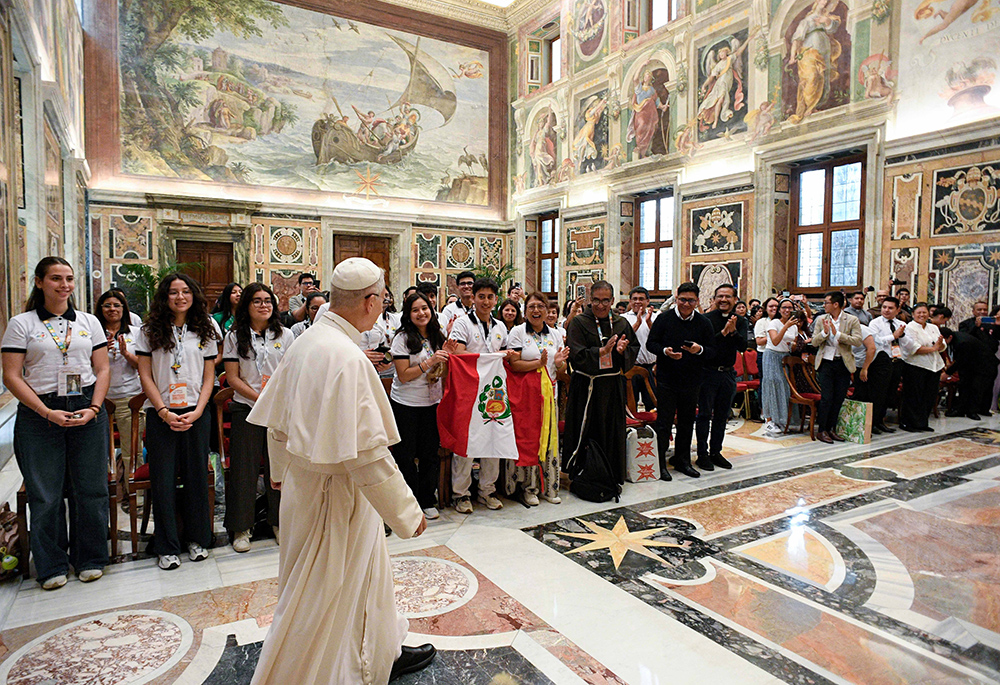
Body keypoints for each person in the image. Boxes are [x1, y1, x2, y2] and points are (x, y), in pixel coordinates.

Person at [246, 257, 434, 684]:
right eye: (382, 297)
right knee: (321, 591)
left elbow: (277, 421)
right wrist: (405, 513)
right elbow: (366, 453)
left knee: (367, 576)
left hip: (303, 484)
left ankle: (382, 652)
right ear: (370, 301)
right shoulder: (347, 358)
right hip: (337, 495)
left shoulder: (308, 341)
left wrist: (278, 471)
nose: (383, 303)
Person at [2, 257, 110, 590]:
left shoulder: (89, 321)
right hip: (40, 413)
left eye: (69, 279)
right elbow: (11, 375)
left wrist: (94, 407)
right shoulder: (22, 324)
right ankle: (51, 564)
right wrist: (45, 412)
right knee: (45, 494)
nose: (64, 285)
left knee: (90, 488)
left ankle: (90, 558)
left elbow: (102, 369)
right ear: (39, 282)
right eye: (55, 279)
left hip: (85, 408)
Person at [136, 273, 219, 571]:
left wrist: (199, 410)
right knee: (164, 480)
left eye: (186, 291)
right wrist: (161, 411)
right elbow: (145, 374)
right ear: (164, 296)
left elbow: (210, 374)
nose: (180, 297)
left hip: (196, 411)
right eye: (173, 292)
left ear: (194, 295)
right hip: (162, 413)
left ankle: (198, 539)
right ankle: (167, 545)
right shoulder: (149, 330)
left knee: (197, 476)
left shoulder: (207, 327)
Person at [222, 283, 294, 553]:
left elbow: (291, 372)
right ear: (246, 306)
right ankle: (242, 528)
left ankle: (279, 522)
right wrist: (258, 398)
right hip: (247, 409)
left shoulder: (285, 335)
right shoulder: (234, 336)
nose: (264, 305)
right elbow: (232, 378)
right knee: (244, 469)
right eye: (257, 301)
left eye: (268, 301)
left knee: (279, 468)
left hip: (278, 409)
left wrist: (274, 400)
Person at [564, 281, 639, 485]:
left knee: (611, 428)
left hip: (611, 385)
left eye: (605, 301)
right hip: (586, 386)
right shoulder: (579, 322)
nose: (600, 305)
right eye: (596, 300)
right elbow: (575, 354)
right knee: (586, 427)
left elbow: (634, 347)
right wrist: (600, 352)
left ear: (612, 301)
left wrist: (622, 351)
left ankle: (612, 473)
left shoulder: (621, 323)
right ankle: (582, 473)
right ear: (590, 300)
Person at [390, 292, 454, 521]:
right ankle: (409, 501)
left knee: (430, 453)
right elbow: (404, 375)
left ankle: (427, 499)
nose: (421, 313)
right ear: (408, 314)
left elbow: (444, 370)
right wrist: (431, 362)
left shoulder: (438, 336)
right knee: (405, 455)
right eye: (415, 310)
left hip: (432, 403)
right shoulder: (403, 338)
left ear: (431, 310)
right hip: (405, 404)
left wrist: (448, 357)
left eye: (424, 308)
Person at [448, 278, 510, 512]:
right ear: (473, 298)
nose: (485, 301)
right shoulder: (463, 324)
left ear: (496, 299)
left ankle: (487, 490)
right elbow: (459, 354)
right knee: (467, 442)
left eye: (490, 297)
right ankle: (461, 494)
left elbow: (506, 355)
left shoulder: (500, 326)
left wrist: (507, 355)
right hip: (469, 391)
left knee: (493, 439)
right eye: (481, 296)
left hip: (494, 392)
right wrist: (495, 357)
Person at [646, 282, 714, 479]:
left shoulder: (703, 323)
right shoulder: (664, 319)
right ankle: (660, 463)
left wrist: (698, 350)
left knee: (686, 422)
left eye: (690, 300)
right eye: (682, 299)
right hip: (667, 379)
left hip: (692, 380)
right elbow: (652, 343)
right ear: (676, 299)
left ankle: (683, 460)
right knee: (664, 422)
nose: (686, 304)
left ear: (697, 301)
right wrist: (665, 351)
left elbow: (711, 351)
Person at [507, 292, 569, 505]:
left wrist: (559, 362)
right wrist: (538, 364)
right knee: (530, 440)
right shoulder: (517, 333)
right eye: (532, 306)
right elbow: (513, 365)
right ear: (525, 311)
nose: (536, 310)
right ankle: (529, 488)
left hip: (550, 395)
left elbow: (560, 367)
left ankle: (549, 487)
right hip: (526, 396)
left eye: (540, 306)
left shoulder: (555, 334)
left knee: (550, 440)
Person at [95, 289, 145, 497]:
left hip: (129, 396)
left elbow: (143, 366)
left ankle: (135, 493)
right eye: (107, 305)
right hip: (99, 398)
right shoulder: (93, 332)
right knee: (98, 450)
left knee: (132, 449)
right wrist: (100, 353)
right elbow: (85, 367)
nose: (112, 309)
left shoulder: (136, 333)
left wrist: (125, 353)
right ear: (100, 309)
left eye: (117, 305)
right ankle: (106, 493)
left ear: (124, 309)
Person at [696, 284, 747, 470]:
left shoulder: (740, 321)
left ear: (735, 300)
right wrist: (724, 333)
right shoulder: (705, 319)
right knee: (703, 414)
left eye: (728, 297)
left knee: (721, 416)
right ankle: (702, 454)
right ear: (714, 299)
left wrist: (733, 331)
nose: (723, 300)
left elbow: (743, 346)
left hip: (727, 373)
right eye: (720, 296)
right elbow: (704, 348)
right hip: (708, 373)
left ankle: (715, 452)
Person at [810, 291, 863, 444]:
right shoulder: (821, 319)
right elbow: (814, 342)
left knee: (839, 397)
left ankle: (832, 428)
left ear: (836, 304)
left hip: (843, 362)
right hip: (826, 363)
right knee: (827, 398)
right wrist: (825, 333)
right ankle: (822, 430)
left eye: (826, 302)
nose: (824, 305)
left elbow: (858, 340)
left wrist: (838, 334)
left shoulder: (851, 320)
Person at [899, 303, 946, 432]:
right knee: (914, 396)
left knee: (929, 395)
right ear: (913, 314)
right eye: (919, 312)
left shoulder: (933, 327)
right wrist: (933, 348)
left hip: (934, 366)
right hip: (916, 365)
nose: (922, 315)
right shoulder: (910, 328)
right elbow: (913, 348)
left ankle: (922, 422)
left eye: (924, 312)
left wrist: (939, 346)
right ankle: (909, 423)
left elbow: (943, 346)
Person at [762, 300, 803, 435]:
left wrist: (793, 345)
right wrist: (786, 326)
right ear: (779, 310)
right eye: (784, 307)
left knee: (785, 387)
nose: (787, 310)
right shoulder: (774, 323)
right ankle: (769, 420)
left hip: (785, 357)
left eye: (790, 308)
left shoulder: (795, 326)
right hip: (772, 356)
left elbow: (794, 345)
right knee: (772, 385)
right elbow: (775, 341)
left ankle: (784, 419)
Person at [867, 296, 906, 433]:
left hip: (896, 361)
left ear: (897, 310)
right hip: (880, 362)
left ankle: (880, 421)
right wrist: (893, 336)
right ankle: (872, 423)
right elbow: (876, 342)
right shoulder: (875, 323)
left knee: (889, 393)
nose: (886, 310)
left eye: (890, 308)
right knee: (878, 393)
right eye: (884, 307)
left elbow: (905, 342)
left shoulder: (900, 323)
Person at [958, 300, 1000, 414]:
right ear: (973, 311)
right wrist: (976, 327)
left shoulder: (992, 323)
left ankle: (984, 409)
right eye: (979, 310)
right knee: (973, 386)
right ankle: (970, 410)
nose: (982, 312)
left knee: (988, 386)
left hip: (990, 359)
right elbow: (964, 339)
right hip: (972, 361)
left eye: (985, 310)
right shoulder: (965, 324)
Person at [941, 327, 990, 420]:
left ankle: (972, 411)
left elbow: (961, 360)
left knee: (976, 388)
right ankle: (960, 410)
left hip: (984, 365)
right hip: (969, 365)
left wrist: (948, 373)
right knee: (963, 385)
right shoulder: (955, 339)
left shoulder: (962, 342)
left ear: (949, 337)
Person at [622, 287, 658, 409]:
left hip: (651, 368)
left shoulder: (655, 317)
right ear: (630, 301)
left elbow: (660, 338)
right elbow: (623, 338)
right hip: (630, 368)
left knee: (653, 404)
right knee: (630, 404)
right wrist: (637, 324)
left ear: (647, 301)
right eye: (635, 299)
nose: (638, 302)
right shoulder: (624, 318)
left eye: (641, 299)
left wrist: (649, 323)